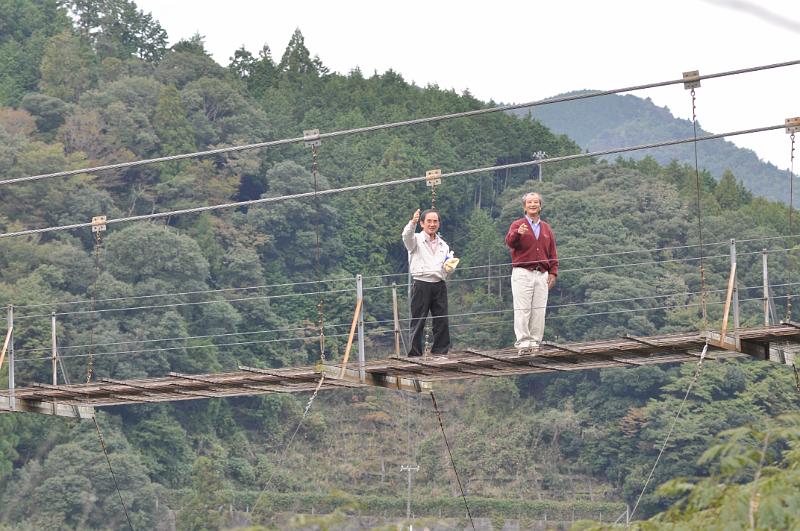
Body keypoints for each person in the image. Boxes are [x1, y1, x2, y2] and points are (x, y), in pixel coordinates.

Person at [505, 192, 558, 353]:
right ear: (524, 206)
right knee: (522, 309)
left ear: (540, 206)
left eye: (536, 202)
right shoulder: (518, 224)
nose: (533, 205)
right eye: (530, 202)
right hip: (523, 272)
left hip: (541, 273)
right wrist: (517, 233)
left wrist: (553, 272)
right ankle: (523, 343)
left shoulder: (546, 228)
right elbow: (510, 243)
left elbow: (552, 252)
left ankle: (535, 343)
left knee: (539, 310)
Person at [402, 208, 457, 356]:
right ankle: (415, 353)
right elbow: (406, 236)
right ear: (422, 223)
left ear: (439, 223)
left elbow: (446, 266)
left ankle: (440, 352)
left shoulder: (443, 245)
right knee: (418, 319)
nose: (432, 224)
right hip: (421, 282)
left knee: (441, 320)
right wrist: (412, 222)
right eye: (429, 221)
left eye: (435, 221)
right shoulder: (415, 240)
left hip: (439, 283)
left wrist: (448, 268)